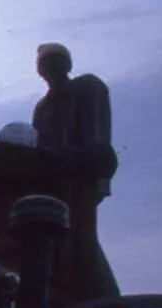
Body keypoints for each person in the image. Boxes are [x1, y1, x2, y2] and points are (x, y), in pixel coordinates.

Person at [33, 42, 116, 199]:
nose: (52, 68)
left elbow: (97, 136)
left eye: (56, 61)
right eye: (47, 63)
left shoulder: (88, 86)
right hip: (53, 182)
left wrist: (92, 167)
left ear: (67, 65)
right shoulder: (43, 108)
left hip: (85, 176)